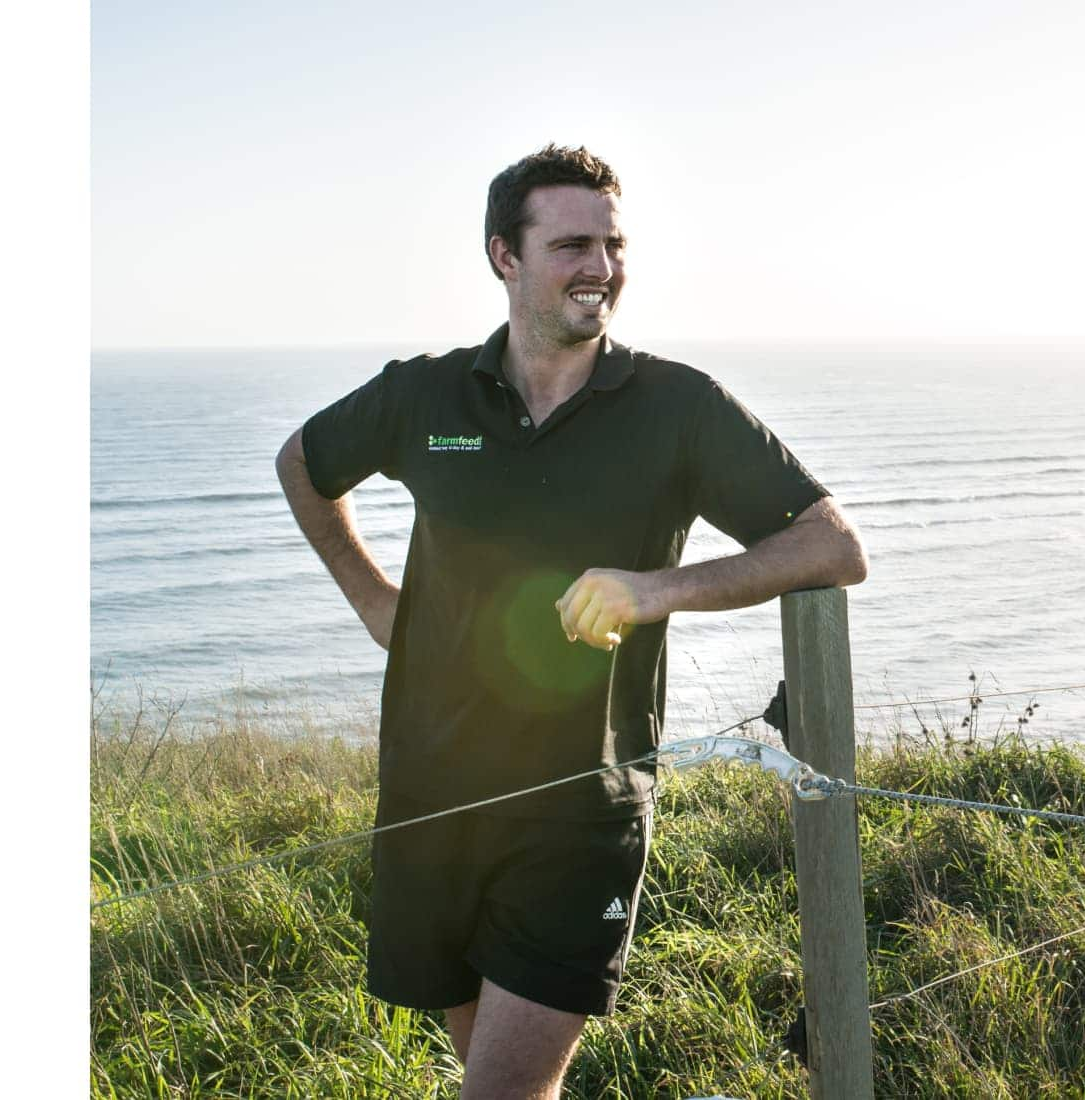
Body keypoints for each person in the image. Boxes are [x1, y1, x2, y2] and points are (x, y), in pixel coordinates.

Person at [274, 143, 867, 1100]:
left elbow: (831, 545)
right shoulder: (427, 396)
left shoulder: (676, 406)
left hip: (576, 810)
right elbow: (303, 463)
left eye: (613, 245)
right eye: (571, 246)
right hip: (431, 795)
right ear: (504, 257)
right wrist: (374, 601)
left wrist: (656, 589)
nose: (601, 268)